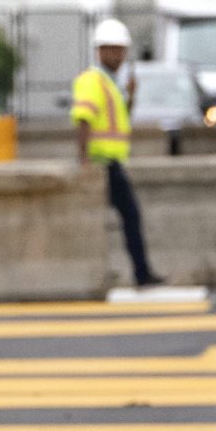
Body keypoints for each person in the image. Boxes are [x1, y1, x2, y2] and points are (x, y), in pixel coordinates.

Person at [74, 18, 161, 288]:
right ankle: (142, 274)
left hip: (110, 162)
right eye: (113, 49)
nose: (118, 55)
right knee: (130, 216)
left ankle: (141, 273)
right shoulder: (93, 80)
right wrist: (84, 160)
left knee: (126, 217)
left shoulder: (109, 82)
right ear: (100, 51)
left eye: (121, 50)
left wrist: (131, 96)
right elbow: (84, 119)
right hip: (101, 163)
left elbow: (120, 118)